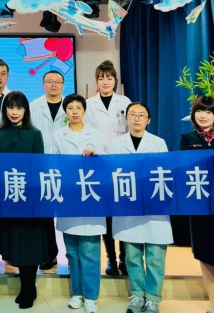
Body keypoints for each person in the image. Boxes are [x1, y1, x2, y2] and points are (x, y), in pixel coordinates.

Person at [0, 91, 57, 309]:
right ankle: (26, 287)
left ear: (25, 110)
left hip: (29, 198)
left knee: (30, 244)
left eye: (19, 108)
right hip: (8, 197)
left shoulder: (34, 134)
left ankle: (28, 289)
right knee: (15, 244)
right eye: (10, 107)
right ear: (5, 110)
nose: (14, 112)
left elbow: (39, 167)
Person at [111, 102, 172, 313]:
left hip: (154, 208)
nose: (137, 118)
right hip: (128, 208)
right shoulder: (116, 144)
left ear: (149, 119)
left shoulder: (158, 142)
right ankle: (137, 296)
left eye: (142, 115)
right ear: (126, 118)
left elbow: (165, 173)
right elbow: (111, 172)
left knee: (155, 257)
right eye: (133, 114)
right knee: (132, 256)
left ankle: (153, 298)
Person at [52, 94, 106, 313]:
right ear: (65, 111)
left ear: (84, 110)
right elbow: (53, 163)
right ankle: (77, 293)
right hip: (68, 196)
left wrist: (95, 156)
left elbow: (107, 162)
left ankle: (91, 296)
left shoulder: (96, 134)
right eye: (70, 108)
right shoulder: (58, 135)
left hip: (91, 195)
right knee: (72, 251)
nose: (74, 111)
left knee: (90, 251)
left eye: (78, 108)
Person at [181, 96, 214, 313]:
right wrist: (212, 153)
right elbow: (185, 165)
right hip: (200, 204)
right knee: (205, 254)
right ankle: (213, 302)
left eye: (209, 112)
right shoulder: (187, 138)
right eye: (200, 111)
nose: (203, 116)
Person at [84, 60, 131, 276]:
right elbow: (86, 132)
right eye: (101, 78)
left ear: (115, 80)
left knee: (123, 213)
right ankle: (111, 259)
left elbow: (130, 130)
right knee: (107, 216)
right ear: (96, 80)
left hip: (121, 163)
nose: (105, 82)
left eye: (109, 78)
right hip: (98, 164)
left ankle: (124, 258)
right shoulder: (88, 103)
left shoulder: (124, 101)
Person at [29, 70, 66, 271]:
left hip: (65, 167)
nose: (53, 84)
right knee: (44, 214)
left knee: (67, 212)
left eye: (57, 81)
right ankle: (49, 254)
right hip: (40, 167)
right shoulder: (34, 106)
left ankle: (70, 253)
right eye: (49, 81)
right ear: (43, 84)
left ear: (63, 85)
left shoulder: (71, 106)